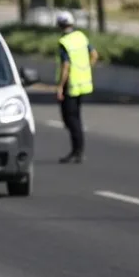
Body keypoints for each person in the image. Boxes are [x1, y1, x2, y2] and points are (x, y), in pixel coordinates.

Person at [55, 11, 98, 164]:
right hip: (82, 83)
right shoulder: (80, 36)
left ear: (59, 25)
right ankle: (77, 151)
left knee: (71, 119)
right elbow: (94, 54)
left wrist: (60, 87)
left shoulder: (64, 42)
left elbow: (65, 66)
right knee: (76, 118)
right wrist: (86, 69)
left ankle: (77, 151)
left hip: (71, 85)